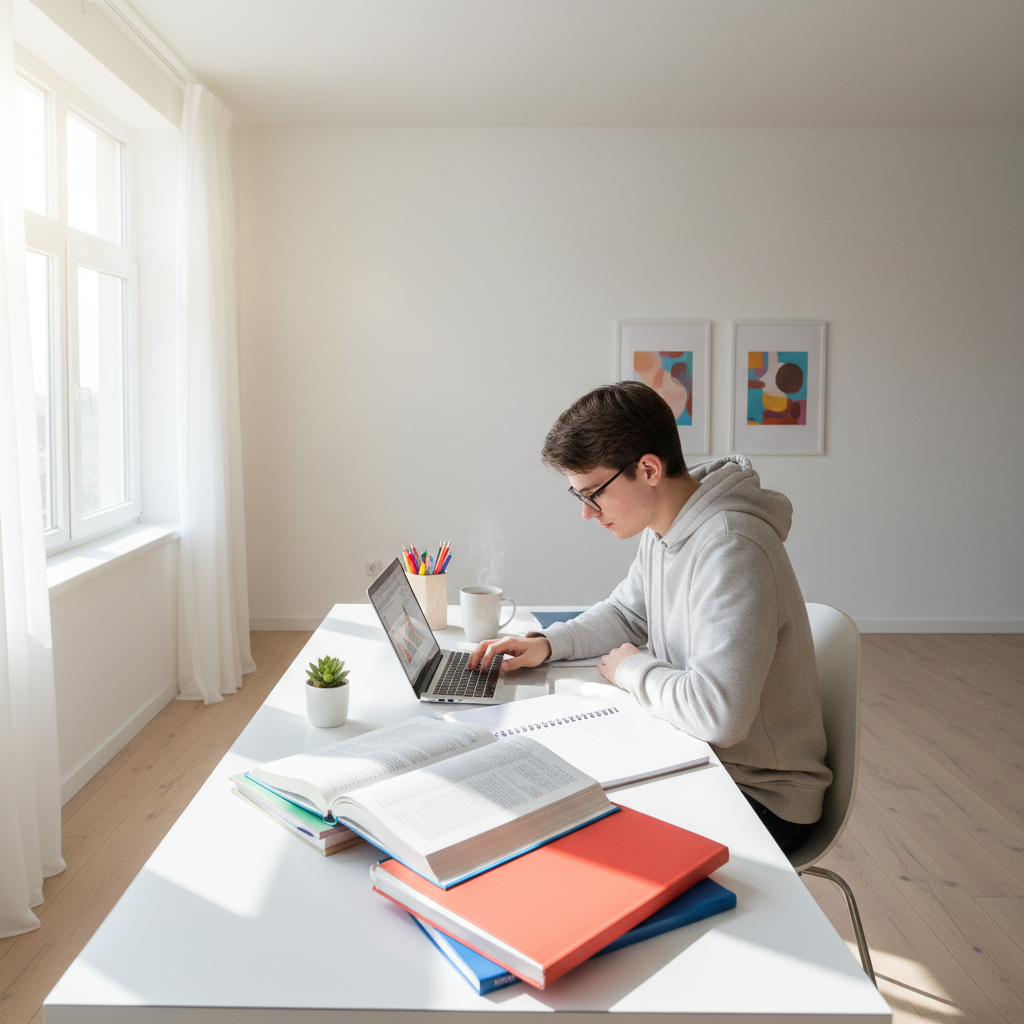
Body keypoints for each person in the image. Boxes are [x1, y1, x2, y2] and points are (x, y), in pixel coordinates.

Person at [467, 380, 831, 854]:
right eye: (578, 496)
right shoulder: (664, 529)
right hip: (698, 757)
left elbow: (718, 715)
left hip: (759, 796)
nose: (587, 513)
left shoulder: (732, 547)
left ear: (648, 469)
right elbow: (626, 612)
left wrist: (632, 668)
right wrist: (549, 643)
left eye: (592, 493)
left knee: (559, 833)